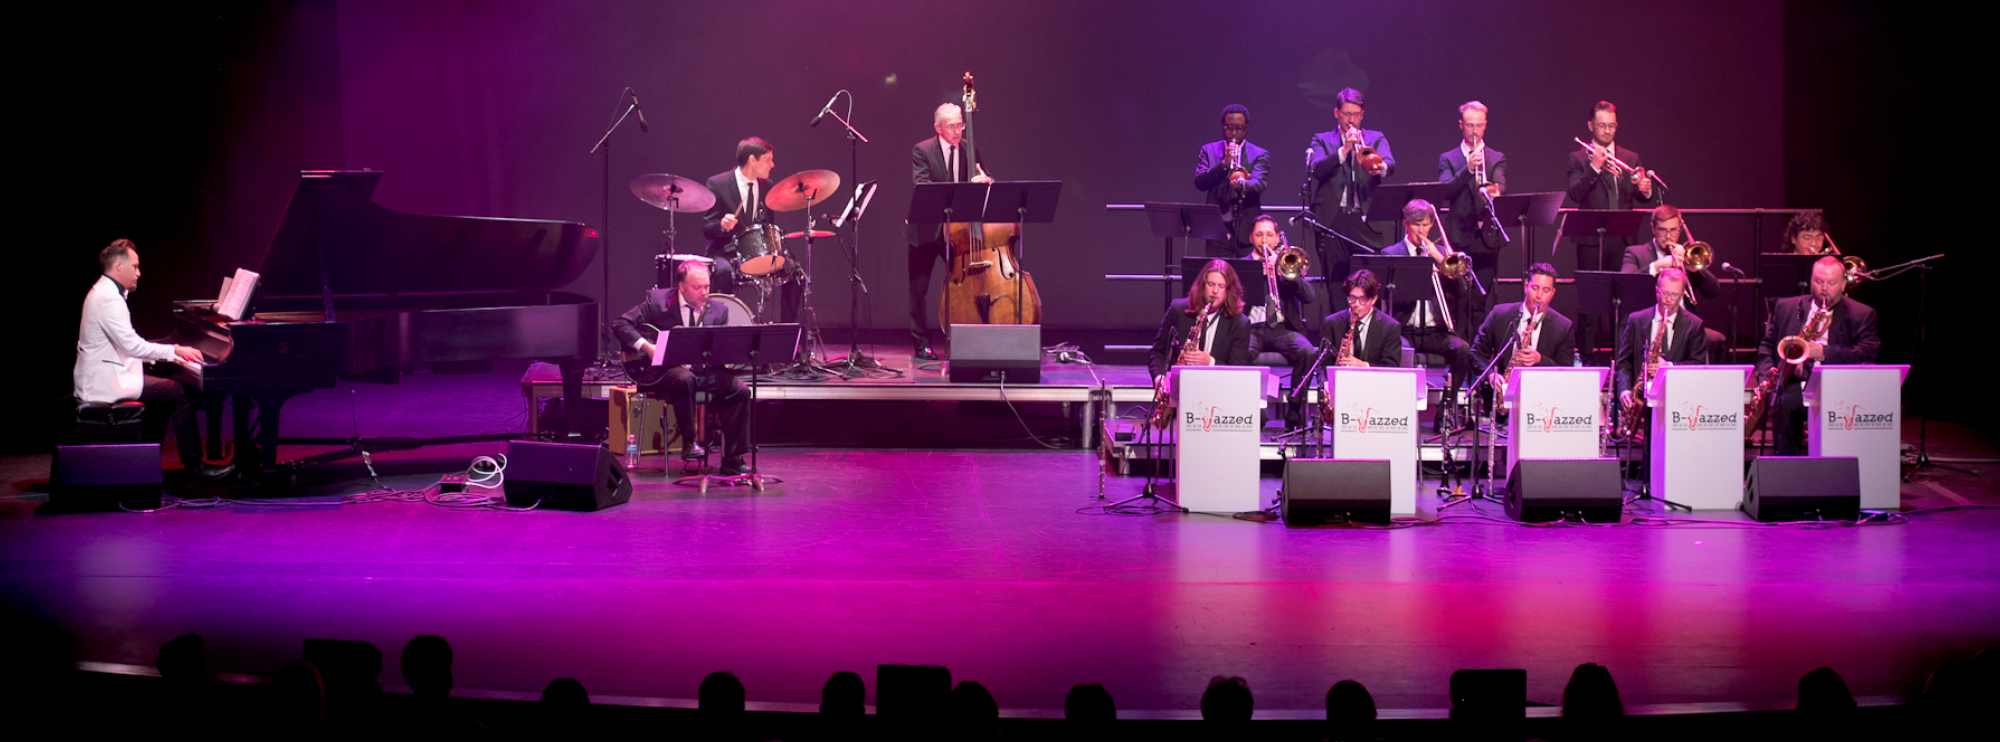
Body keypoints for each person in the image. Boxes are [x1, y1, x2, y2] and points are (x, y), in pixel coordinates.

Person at [74, 239, 231, 481]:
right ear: (118, 265)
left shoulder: (105, 292)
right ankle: (194, 466)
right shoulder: (108, 298)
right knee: (176, 392)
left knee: (165, 388)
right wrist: (174, 350)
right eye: (135, 267)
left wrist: (169, 352)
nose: (139, 273)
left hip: (106, 374)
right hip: (104, 382)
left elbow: (127, 344)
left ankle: (147, 462)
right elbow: (132, 345)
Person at [610, 262, 752, 475]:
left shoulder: (719, 311)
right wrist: (647, 347)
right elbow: (621, 324)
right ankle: (689, 442)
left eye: (707, 286)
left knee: (739, 389)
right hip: (663, 371)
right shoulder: (659, 302)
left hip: (700, 369)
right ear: (682, 287)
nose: (704, 293)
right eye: (697, 287)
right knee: (685, 379)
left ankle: (732, 457)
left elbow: (718, 353)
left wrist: (730, 357)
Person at [1754, 256, 1879, 455]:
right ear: (1811, 280)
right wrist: (1765, 375)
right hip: (1796, 382)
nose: (1824, 289)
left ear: (1843, 283)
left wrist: (1823, 353)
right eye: (1819, 282)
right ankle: (1787, 468)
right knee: (1783, 403)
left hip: (1838, 385)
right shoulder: (1786, 307)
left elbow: (1868, 352)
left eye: (1831, 283)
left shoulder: (1861, 314)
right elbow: (1767, 346)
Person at [906, 103, 991, 361]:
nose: (957, 131)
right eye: (952, 126)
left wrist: (986, 182)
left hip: (958, 232)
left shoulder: (970, 147)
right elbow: (922, 185)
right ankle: (921, 344)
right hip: (926, 231)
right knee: (918, 289)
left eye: (960, 125)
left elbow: (981, 176)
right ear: (938, 128)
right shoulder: (922, 150)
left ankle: (964, 339)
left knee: (963, 286)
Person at [702, 137, 801, 324]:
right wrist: (721, 225)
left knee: (795, 270)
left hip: (756, 251)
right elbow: (707, 229)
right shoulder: (718, 184)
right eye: (768, 160)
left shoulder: (767, 186)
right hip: (726, 253)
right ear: (752, 160)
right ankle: (722, 331)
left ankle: (789, 332)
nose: (772, 164)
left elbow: (767, 226)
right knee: (722, 272)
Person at [1380, 200, 1473, 391]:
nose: (1421, 231)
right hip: (1404, 329)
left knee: (1463, 349)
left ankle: (1445, 412)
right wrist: (1421, 275)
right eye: (1416, 225)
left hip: (1435, 332)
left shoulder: (1441, 254)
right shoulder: (1391, 253)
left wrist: (1440, 262)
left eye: (1425, 225)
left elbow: (1462, 292)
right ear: (1406, 223)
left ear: (1431, 224)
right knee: (1397, 351)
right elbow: (1390, 298)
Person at [1308, 87, 1397, 283]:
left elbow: (1390, 164)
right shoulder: (1321, 139)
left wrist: (1379, 166)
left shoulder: (1375, 137)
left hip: (1366, 222)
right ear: (1337, 114)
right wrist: (1345, 149)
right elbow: (1317, 170)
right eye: (1347, 114)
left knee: (1369, 283)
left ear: (1362, 115)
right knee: (1335, 284)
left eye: (1356, 115)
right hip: (1333, 221)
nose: (1351, 120)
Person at [1565, 101, 1664, 268]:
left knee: (1622, 289)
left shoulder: (1631, 157)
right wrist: (1594, 167)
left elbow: (1638, 195)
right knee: (1592, 290)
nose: (1607, 130)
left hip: (1623, 238)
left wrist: (1645, 191)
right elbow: (1575, 194)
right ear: (1591, 126)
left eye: (1612, 126)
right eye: (1602, 125)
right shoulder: (1578, 158)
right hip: (1591, 239)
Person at [1621, 205, 1727, 360]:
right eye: (1663, 230)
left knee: (1718, 340)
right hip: (1649, 324)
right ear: (1653, 228)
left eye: (1673, 230)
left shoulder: (1686, 255)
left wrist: (1694, 268)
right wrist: (1657, 265)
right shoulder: (1635, 253)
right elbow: (1626, 285)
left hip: (1683, 326)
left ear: (1680, 228)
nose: (1668, 236)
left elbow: (1714, 291)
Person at [1437, 101, 1508, 316]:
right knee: (1459, 299)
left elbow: (1500, 184)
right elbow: (1446, 191)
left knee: (1479, 300)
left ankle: (1477, 349)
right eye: (1470, 125)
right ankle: (1461, 347)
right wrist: (1468, 169)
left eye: (1478, 125)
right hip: (1459, 237)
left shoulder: (1496, 157)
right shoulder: (1448, 159)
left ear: (1485, 125)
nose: (1474, 131)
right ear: (1461, 125)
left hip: (1486, 239)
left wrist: (1495, 191)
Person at [1614, 268, 1711, 420]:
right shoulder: (1636, 320)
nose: (1669, 300)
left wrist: (1669, 367)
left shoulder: (1695, 325)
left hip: (1678, 400)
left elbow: (1698, 365)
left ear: (1682, 295)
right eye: (1665, 293)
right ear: (1657, 290)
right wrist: (1625, 390)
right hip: (1642, 399)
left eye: (1675, 295)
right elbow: (1623, 362)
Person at [1148, 259, 1255, 393]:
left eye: (1221, 286)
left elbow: (1237, 369)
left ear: (1228, 290)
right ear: (1202, 285)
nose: (1215, 291)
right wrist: (1160, 378)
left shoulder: (1239, 322)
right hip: (1180, 388)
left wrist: (1210, 362)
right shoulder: (1178, 310)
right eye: (1211, 284)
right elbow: (1158, 351)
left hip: (1219, 390)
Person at [1471, 263, 1577, 394]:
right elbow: (1476, 353)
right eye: (1535, 288)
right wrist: (1491, 375)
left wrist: (1540, 360)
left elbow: (1566, 371)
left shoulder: (1563, 327)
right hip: (1502, 397)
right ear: (1526, 287)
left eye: (1546, 290)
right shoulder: (1499, 315)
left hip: (1543, 398)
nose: (1539, 296)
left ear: (1553, 293)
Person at [1244, 216, 1317, 388]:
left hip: (1282, 329)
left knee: (1307, 352)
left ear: (1277, 238)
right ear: (1251, 238)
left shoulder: (1285, 263)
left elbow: (1309, 297)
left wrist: (1283, 272)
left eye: (1269, 235)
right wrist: (1256, 275)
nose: (1264, 240)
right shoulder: (1242, 265)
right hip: (1252, 328)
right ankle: (1254, 411)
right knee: (1239, 353)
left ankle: (1294, 410)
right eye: (1259, 234)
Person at [1194, 104, 1270, 258]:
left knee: (1246, 278)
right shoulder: (1208, 150)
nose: (1234, 132)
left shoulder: (1259, 154)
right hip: (1217, 230)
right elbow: (1200, 182)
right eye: (1229, 127)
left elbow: (1260, 183)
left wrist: (1243, 183)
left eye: (1239, 128)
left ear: (1246, 127)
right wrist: (1224, 164)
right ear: (1222, 126)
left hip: (1246, 230)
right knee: (1217, 275)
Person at [1320, 269, 1403, 370]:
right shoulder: (1331, 323)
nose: (1356, 304)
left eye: (1363, 299)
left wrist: (1364, 366)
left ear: (1374, 299)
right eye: (1352, 298)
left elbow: (1391, 368)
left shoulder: (1390, 328)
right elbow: (1322, 366)